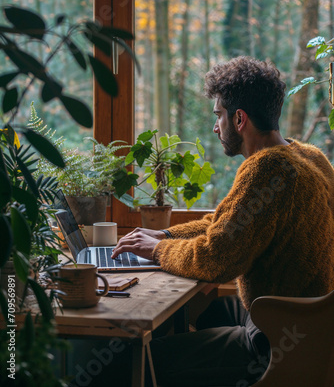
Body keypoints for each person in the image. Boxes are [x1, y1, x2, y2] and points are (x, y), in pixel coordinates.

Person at [112, 56, 334, 386]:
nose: (215, 127)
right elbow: (224, 224)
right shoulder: (308, 157)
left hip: (278, 342)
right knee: (210, 311)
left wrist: (158, 251)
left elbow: (216, 259)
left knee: (134, 362)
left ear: (239, 119)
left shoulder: (266, 170)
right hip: (311, 327)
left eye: (219, 116)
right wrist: (165, 233)